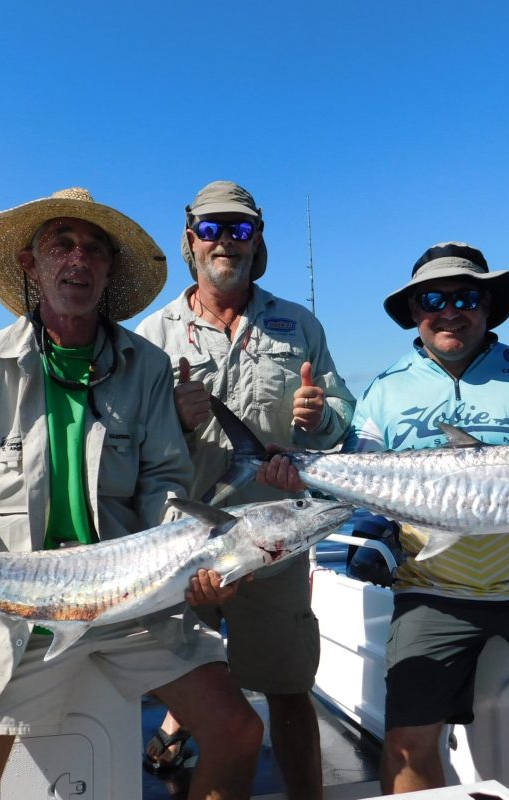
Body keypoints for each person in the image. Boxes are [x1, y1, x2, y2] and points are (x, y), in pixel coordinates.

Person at [0, 187, 263, 800]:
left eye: (94, 249)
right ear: (29, 263)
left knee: (239, 731)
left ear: (108, 272)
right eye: (61, 244)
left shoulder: (146, 366)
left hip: (128, 594)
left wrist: (195, 562)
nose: (79, 259)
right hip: (10, 604)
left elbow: (164, 486)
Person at [259, 241, 509, 797]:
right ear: (414, 311)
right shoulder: (385, 390)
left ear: (488, 305)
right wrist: (304, 452)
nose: (449, 308)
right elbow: (358, 468)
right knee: (407, 742)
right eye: (432, 297)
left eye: (466, 296)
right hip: (432, 590)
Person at [136, 180, 355, 799]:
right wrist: (173, 420)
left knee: (289, 689)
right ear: (189, 240)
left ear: (257, 240)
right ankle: (180, 723)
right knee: (178, 672)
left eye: (239, 228)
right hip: (180, 539)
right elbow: (125, 444)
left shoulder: (298, 324)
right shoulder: (154, 334)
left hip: (274, 540)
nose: (224, 240)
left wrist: (321, 417)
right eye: (211, 228)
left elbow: (339, 414)